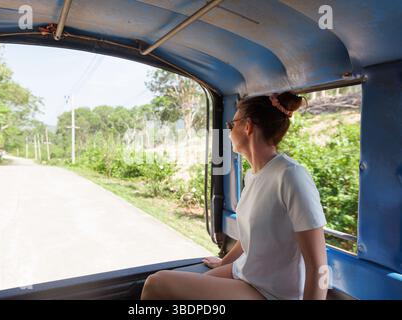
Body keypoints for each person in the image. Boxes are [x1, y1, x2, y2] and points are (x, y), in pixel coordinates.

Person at [140, 92, 328, 300]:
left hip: (271, 292)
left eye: (231, 125)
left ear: (247, 126)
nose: (229, 133)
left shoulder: (291, 175)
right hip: (246, 273)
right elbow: (252, 236)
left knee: (156, 284)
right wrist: (224, 262)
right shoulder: (253, 175)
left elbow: (318, 265)